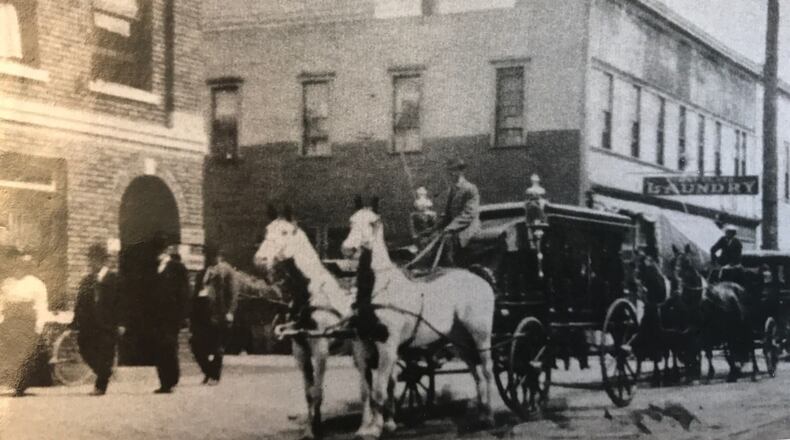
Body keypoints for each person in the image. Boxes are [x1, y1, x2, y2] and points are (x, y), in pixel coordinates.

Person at [71, 244, 125, 396]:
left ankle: (100, 386)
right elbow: (80, 303)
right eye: (90, 260)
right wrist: (75, 323)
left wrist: (121, 323)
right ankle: (105, 372)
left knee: (106, 353)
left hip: (108, 324)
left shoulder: (115, 279)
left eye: (93, 260)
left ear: (102, 261)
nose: (91, 264)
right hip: (89, 324)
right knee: (84, 348)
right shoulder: (87, 280)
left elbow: (122, 303)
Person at [0, 251, 49, 396]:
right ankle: (13, 383)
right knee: (10, 355)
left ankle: (22, 386)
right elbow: (1, 304)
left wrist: (40, 325)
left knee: (25, 356)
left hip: (27, 324)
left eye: (21, 264)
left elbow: (41, 306)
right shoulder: (6, 283)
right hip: (10, 324)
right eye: (15, 264)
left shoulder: (36, 284)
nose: (18, 268)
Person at [190, 248, 237, 385]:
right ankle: (209, 371)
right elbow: (196, 293)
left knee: (217, 347)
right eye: (207, 256)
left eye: (213, 256)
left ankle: (214, 376)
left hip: (219, 313)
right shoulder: (202, 273)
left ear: (219, 257)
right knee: (196, 345)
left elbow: (233, 294)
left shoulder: (227, 272)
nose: (210, 259)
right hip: (201, 314)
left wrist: (230, 312)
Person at [151, 239, 190, 394]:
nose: (158, 254)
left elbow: (184, 292)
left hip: (172, 315)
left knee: (169, 346)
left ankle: (171, 379)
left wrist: (183, 315)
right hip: (158, 316)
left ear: (166, 251)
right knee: (160, 348)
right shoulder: (155, 269)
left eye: (160, 251)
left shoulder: (177, 267)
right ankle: (164, 383)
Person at [439, 158, 481, 267]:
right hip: (455, 226)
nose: (451, 174)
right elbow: (448, 213)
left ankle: (452, 269)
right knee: (434, 237)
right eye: (450, 171)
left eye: (454, 170)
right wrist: (435, 228)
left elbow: (469, 214)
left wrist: (450, 228)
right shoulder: (453, 189)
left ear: (462, 171)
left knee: (449, 242)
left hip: (468, 227)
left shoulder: (471, 189)